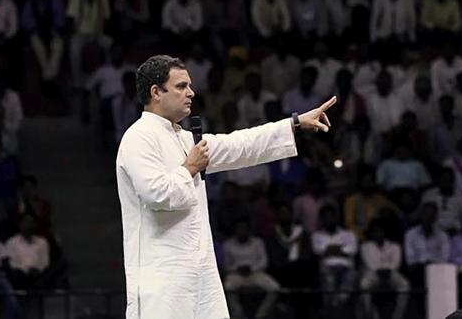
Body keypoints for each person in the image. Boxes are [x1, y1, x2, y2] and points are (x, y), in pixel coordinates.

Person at [116, 55, 336, 319]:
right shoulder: (138, 138)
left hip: (200, 275)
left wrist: (294, 123)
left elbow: (240, 145)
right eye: (181, 86)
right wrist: (190, 168)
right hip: (163, 278)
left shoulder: (185, 138)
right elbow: (158, 195)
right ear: (156, 92)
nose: (191, 92)